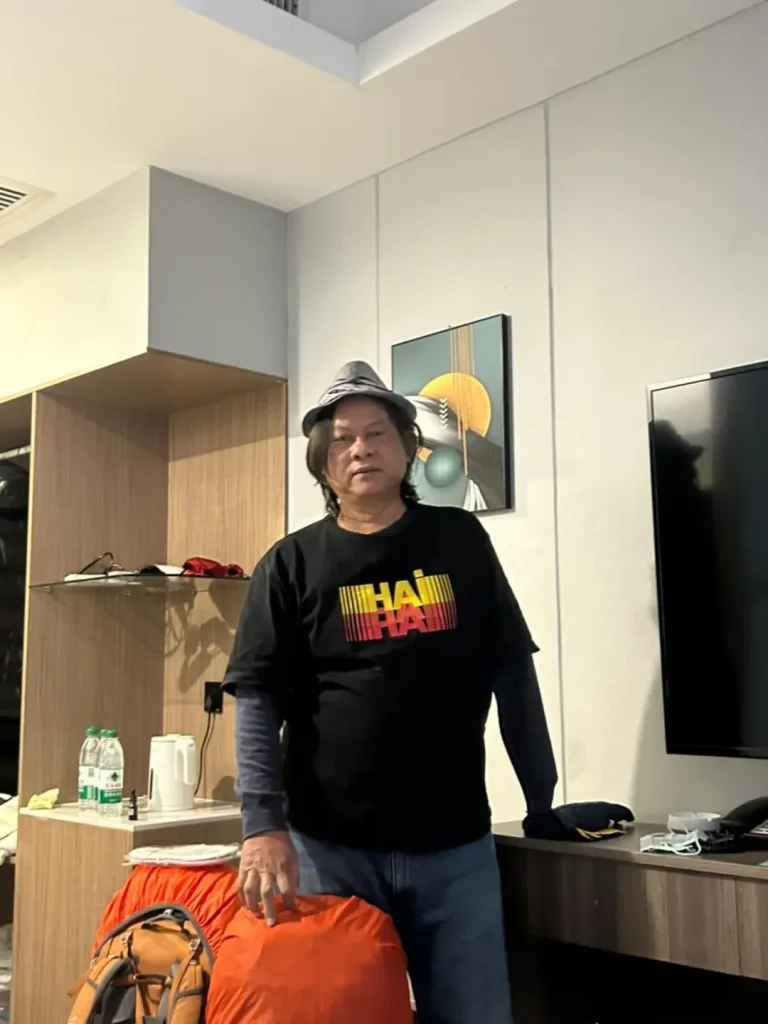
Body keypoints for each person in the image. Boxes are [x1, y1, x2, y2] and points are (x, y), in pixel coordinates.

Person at [222, 361, 557, 1024]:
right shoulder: (289, 563)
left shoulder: (460, 540)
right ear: (323, 465)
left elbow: (513, 670)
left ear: (407, 449)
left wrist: (540, 800)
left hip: (454, 846)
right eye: (342, 439)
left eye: (377, 434)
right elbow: (256, 699)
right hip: (329, 849)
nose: (361, 449)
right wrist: (262, 825)